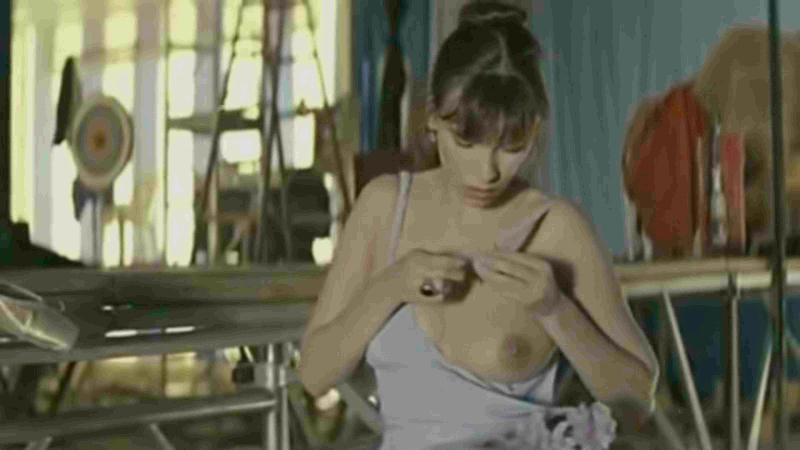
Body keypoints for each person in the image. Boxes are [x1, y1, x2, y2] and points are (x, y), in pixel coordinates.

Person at [298, 2, 659, 448]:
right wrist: (390, 286)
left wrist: (556, 311)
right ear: (432, 117)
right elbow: (314, 374)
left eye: (511, 145)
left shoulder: (556, 228)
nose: (486, 172)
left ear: (535, 129)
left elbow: (639, 400)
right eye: (466, 141)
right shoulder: (386, 206)